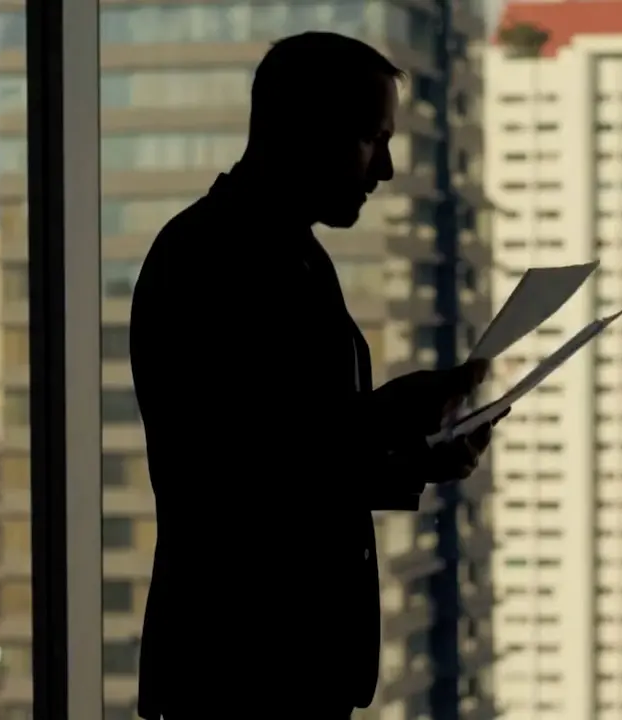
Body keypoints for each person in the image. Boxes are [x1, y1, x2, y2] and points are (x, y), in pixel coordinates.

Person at [128, 32, 496, 720]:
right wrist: (389, 416)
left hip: (278, 674)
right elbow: (239, 472)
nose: (384, 168)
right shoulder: (209, 261)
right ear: (298, 129)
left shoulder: (285, 254)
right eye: (369, 138)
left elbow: (296, 465)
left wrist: (415, 455)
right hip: (240, 675)